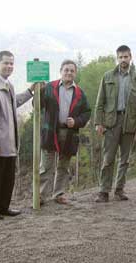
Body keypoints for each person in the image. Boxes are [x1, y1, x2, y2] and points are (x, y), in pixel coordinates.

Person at [0, 50, 35, 220]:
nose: (9, 66)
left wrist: (30, 91)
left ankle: (3, 207)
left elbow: (13, 103)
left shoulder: (8, 85)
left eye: (11, 63)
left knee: (7, 178)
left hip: (10, 143)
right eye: (6, 63)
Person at [94, 45, 136, 202]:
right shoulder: (107, 76)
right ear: (117, 58)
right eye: (121, 57)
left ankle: (119, 190)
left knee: (125, 159)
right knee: (108, 158)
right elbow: (100, 102)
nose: (123, 60)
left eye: (126, 57)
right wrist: (98, 122)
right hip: (111, 122)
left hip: (129, 123)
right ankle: (103, 191)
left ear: (131, 57)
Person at [38, 59, 91, 205]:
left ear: (75, 73)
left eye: (72, 70)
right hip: (50, 132)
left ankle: (58, 194)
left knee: (63, 165)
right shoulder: (49, 87)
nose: (69, 73)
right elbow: (37, 105)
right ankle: (41, 196)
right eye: (66, 70)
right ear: (61, 71)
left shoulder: (80, 93)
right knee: (46, 166)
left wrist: (76, 121)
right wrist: (40, 91)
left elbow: (87, 113)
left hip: (69, 134)